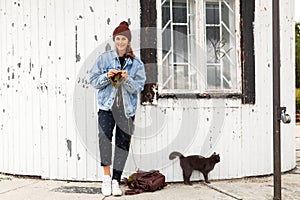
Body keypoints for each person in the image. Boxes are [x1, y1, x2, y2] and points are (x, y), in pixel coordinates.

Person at [89, 21, 146, 196]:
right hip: (107, 108)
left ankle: (116, 180)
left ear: (128, 41)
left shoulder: (136, 64)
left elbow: (139, 87)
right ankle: (106, 177)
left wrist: (127, 79)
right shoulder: (104, 59)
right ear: (114, 40)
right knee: (104, 138)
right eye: (118, 38)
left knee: (122, 144)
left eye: (124, 39)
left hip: (126, 111)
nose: (120, 42)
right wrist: (107, 76)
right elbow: (93, 81)